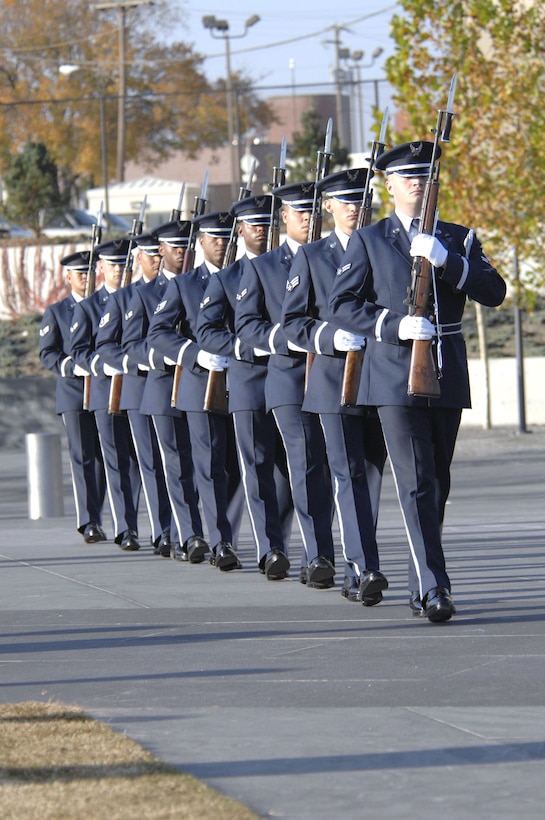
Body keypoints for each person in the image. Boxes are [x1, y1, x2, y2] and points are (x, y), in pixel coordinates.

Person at [328, 141, 507, 622]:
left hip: (445, 370)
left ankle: (419, 582)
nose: (417, 183)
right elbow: (342, 305)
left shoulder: (458, 237)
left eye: (425, 176)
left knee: (437, 483)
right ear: (388, 185)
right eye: (407, 176)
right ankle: (434, 588)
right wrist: (392, 325)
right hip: (391, 375)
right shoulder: (370, 240)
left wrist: (449, 262)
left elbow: (495, 292)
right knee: (415, 480)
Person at [280, 168, 388, 605]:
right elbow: (292, 323)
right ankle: (364, 568)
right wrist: (329, 337)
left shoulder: (385, 247)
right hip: (332, 378)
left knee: (374, 477)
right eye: (345, 201)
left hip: (382, 378)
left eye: (361, 200)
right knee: (347, 475)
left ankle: (355, 566)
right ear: (329, 207)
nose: (354, 208)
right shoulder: (311, 255)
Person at [234, 182, 336, 588]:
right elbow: (246, 326)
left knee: (332, 468)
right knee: (306, 462)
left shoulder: (339, 256)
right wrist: (286, 338)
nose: (309, 219)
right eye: (300, 213)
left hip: (332, 374)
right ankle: (317, 556)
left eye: (314, 212)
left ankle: (330, 553)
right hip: (289, 378)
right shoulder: (262, 267)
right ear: (286, 219)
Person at [196, 194, 294, 579]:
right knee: (255, 467)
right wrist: (239, 345)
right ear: (240, 230)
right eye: (255, 225)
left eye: (268, 223)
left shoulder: (291, 267)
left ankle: (283, 538)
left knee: (292, 470)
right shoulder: (227, 277)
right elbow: (206, 329)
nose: (262, 231)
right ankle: (270, 549)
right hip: (250, 377)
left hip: (290, 377)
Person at [147, 211, 244, 571]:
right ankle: (217, 541)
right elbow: (159, 331)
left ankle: (227, 534)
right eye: (213, 237)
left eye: (225, 237)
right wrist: (194, 354)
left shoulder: (246, 275)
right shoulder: (185, 284)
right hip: (201, 386)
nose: (221, 243)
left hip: (244, 383)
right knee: (207, 464)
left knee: (237, 468)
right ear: (200, 242)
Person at [121, 219, 205, 563]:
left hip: (200, 383)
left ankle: (204, 531)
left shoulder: (202, 284)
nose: (181, 253)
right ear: (161, 251)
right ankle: (184, 534)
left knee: (206, 463)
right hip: (162, 386)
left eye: (186, 246)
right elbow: (130, 346)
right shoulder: (142, 294)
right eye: (175, 247)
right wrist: (170, 353)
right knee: (173, 465)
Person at [94, 232, 172, 555]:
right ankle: (159, 530)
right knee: (148, 463)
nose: (157, 260)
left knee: (175, 463)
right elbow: (106, 346)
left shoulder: (177, 288)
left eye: (160, 254)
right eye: (150, 255)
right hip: (138, 390)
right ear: (139, 258)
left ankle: (178, 527)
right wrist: (135, 361)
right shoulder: (125, 298)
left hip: (172, 387)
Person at [69, 239, 142, 551]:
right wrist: (103, 364)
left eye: (125, 264)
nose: (120, 270)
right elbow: (78, 352)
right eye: (114, 265)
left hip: (138, 390)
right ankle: (127, 528)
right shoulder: (87, 308)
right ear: (101, 268)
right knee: (117, 463)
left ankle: (162, 528)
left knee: (144, 464)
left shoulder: (140, 297)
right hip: (106, 393)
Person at [39, 250, 106, 544]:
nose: (86, 278)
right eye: (80, 274)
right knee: (83, 457)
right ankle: (88, 521)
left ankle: (103, 515)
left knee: (107, 458)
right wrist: (71, 366)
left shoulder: (106, 305)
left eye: (90, 273)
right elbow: (48, 352)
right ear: (68, 277)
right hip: (74, 392)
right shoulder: (57, 311)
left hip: (104, 390)